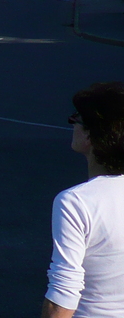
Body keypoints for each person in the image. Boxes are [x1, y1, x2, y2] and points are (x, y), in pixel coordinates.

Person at [43, 82, 124, 317]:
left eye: (76, 119)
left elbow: (62, 296)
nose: (72, 125)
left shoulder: (76, 202)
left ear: (92, 134)